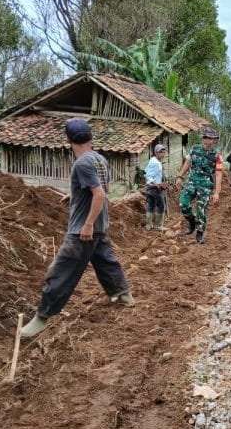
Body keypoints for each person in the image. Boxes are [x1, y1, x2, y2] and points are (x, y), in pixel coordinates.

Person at [21, 118, 134, 337]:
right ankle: (123, 294)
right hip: (101, 225)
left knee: (61, 271)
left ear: (69, 140)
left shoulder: (81, 163)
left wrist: (87, 224)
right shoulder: (100, 159)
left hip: (83, 229)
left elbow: (99, 194)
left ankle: (42, 317)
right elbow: (100, 188)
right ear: (90, 138)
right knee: (105, 261)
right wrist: (75, 195)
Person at [176, 126, 223, 244]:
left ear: (214, 140)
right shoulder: (194, 149)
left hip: (206, 186)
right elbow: (187, 163)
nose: (206, 140)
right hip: (191, 182)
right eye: (205, 137)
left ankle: (200, 233)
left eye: (209, 138)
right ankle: (192, 221)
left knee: (201, 209)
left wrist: (217, 192)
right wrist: (180, 176)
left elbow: (218, 175)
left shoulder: (217, 156)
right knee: (183, 204)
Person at [144, 143, 167, 230]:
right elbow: (149, 176)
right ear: (156, 153)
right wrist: (157, 184)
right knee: (161, 205)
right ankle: (158, 226)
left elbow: (146, 171)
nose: (163, 154)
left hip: (149, 187)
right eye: (161, 152)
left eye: (164, 152)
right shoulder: (156, 163)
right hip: (155, 188)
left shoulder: (152, 160)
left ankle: (148, 225)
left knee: (151, 204)